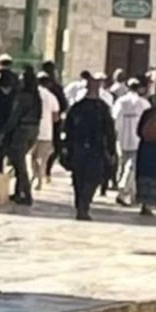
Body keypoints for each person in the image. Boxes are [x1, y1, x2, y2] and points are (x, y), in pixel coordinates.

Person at [63, 72, 117, 221]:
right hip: (84, 147)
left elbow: (109, 131)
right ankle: (82, 206)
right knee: (83, 178)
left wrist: (111, 150)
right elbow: (68, 129)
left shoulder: (98, 108)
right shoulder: (82, 108)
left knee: (88, 178)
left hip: (92, 148)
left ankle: (82, 205)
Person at [2, 66, 42, 205]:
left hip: (22, 130)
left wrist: (5, 131)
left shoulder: (23, 97)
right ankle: (19, 191)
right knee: (20, 161)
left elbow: (15, 116)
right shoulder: (37, 98)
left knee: (19, 163)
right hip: (33, 130)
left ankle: (26, 193)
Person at [113, 78, 151, 207]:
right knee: (132, 167)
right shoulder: (143, 103)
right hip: (137, 139)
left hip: (122, 137)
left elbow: (115, 118)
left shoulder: (120, 101)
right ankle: (123, 191)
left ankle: (131, 193)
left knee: (123, 165)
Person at [31, 72, 61, 190]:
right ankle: (39, 181)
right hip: (47, 132)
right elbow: (56, 117)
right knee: (42, 159)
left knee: (31, 157)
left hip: (33, 130)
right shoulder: (51, 97)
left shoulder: (32, 94)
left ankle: (32, 176)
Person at [40, 61, 69, 177]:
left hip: (49, 121)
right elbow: (64, 104)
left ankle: (44, 170)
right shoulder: (55, 87)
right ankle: (45, 170)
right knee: (55, 147)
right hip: (53, 121)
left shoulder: (53, 87)